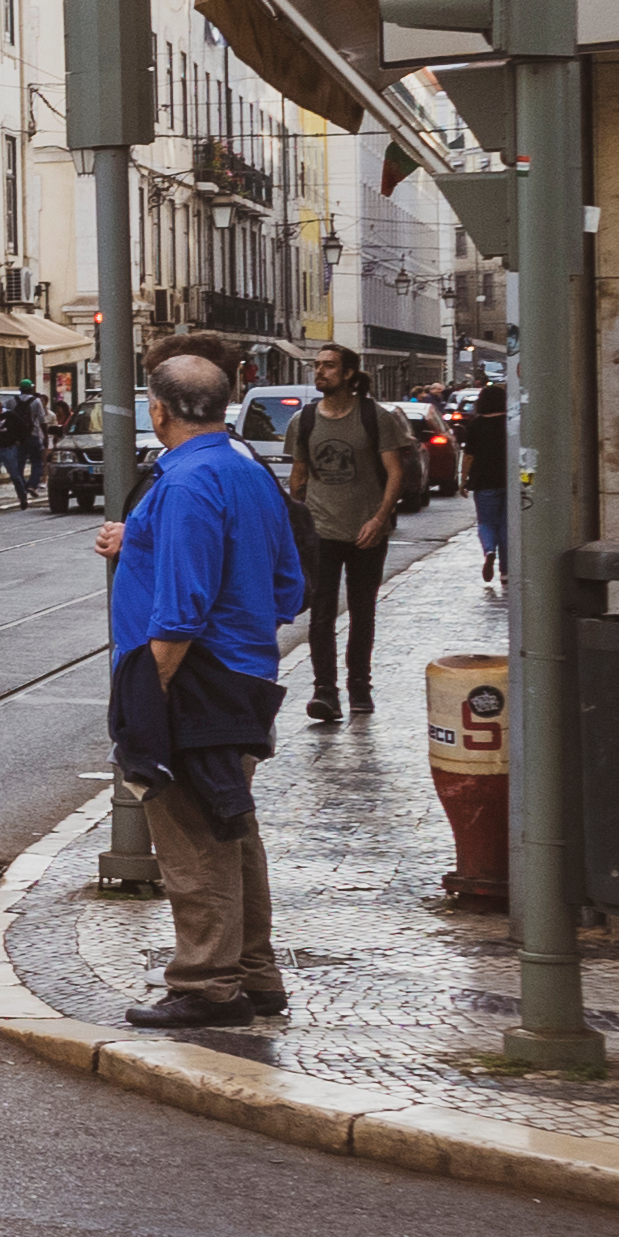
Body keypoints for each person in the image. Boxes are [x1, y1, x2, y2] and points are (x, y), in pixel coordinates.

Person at [96, 349, 308, 1026]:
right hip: (242, 672)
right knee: (231, 825)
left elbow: (183, 607)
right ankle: (255, 974)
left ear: (157, 412)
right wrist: (140, 540)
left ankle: (207, 985)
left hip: (189, 678)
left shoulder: (186, 483)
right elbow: (286, 588)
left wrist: (147, 699)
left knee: (192, 837)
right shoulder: (247, 470)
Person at [284, 344, 411, 727]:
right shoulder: (304, 421)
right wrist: (298, 514)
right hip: (322, 531)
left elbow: (395, 474)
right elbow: (300, 476)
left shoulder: (376, 418)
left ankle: (360, 687)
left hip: (366, 530)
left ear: (350, 374)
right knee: (320, 615)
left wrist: (379, 518)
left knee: (362, 610)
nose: (319, 372)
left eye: (328, 366)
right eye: (317, 366)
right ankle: (325, 691)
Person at [459, 380, 512, 588]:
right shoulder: (511, 421)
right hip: (509, 481)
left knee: (486, 522)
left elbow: (469, 456)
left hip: (484, 481)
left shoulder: (475, 424)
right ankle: (506, 572)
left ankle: (489, 550)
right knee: (506, 527)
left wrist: (464, 479)